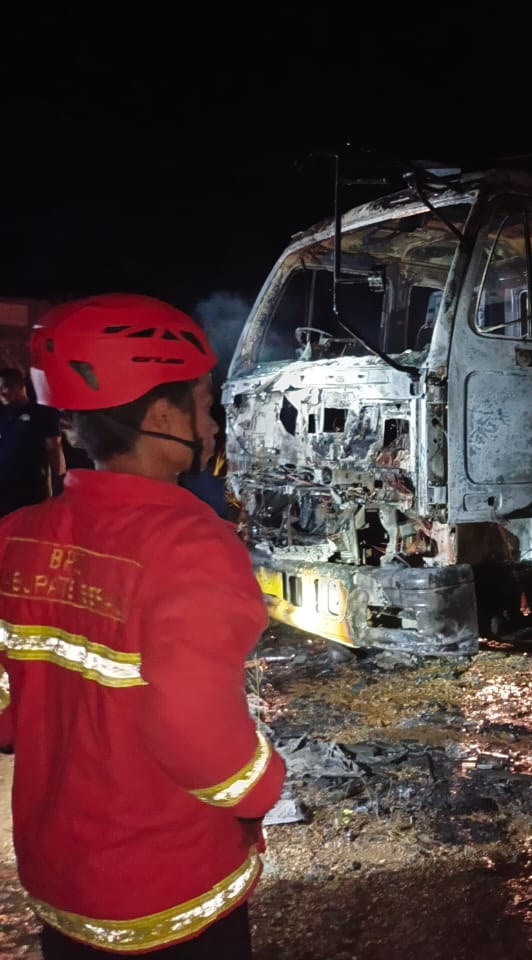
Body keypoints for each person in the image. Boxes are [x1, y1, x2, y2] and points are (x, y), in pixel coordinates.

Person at [0, 293, 285, 957]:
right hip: (170, 891)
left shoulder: (15, 536)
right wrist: (262, 789)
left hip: (61, 879)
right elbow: (192, 733)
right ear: (162, 416)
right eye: (205, 405)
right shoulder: (193, 546)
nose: (212, 425)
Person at [0, 366, 65, 515]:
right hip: (4, 484)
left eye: (4, 388)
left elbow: (54, 449)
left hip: (30, 484)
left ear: (19, 386)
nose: (1, 393)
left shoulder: (42, 412)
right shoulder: (3, 412)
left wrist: (59, 482)